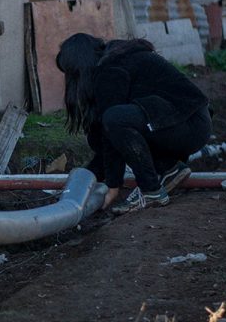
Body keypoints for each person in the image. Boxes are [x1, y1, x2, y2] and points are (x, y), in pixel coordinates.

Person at [56, 33, 211, 214]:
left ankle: (151, 190)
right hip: (181, 122)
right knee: (97, 134)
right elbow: (107, 138)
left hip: (191, 124)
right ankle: (168, 167)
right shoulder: (114, 60)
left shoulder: (111, 69)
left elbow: (112, 128)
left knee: (114, 119)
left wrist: (113, 186)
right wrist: (86, 180)